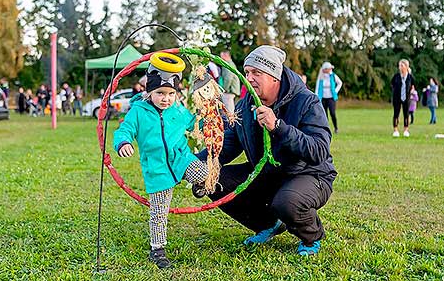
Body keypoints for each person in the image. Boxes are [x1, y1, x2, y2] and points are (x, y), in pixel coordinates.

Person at [198, 45, 337, 256]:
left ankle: (311, 236)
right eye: (246, 72)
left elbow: (318, 151)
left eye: (256, 73)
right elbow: (229, 144)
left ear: (274, 76)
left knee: (287, 202)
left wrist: (279, 127)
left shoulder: (306, 101)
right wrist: (195, 165)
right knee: (212, 179)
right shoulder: (246, 105)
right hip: (267, 174)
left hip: (309, 175)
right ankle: (269, 224)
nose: (249, 78)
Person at [113, 53, 208, 269]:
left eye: (171, 94)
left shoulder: (177, 110)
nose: (166, 98)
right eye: (160, 93)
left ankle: (198, 184)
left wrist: (206, 121)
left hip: (181, 159)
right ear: (150, 92)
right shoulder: (138, 112)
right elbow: (124, 131)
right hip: (157, 171)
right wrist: (124, 143)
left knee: (204, 172)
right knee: (159, 213)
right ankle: (157, 249)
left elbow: (193, 123)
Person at [315, 62, 343, 133]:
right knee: (324, 114)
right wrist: (316, 96)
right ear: (325, 69)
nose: (330, 69)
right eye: (329, 68)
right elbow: (317, 87)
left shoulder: (333, 75)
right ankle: (326, 129)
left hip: (331, 97)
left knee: (332, 113)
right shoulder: (320, 76)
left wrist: (336, 91)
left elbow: (340, 83)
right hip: (323, 97)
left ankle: (336, 127)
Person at [391, 59, 415, 137]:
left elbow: (413, 86)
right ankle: (395, 130)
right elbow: (392, 84)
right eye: (399, 66)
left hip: (406, 98)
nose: (400, 67)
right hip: (397, 98)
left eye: (402, 65)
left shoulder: (410, 77)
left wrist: (412, 90)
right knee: (396, 113)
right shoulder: (396, 76)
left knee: (406, 114)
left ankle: (406, 130)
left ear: (406, 66)